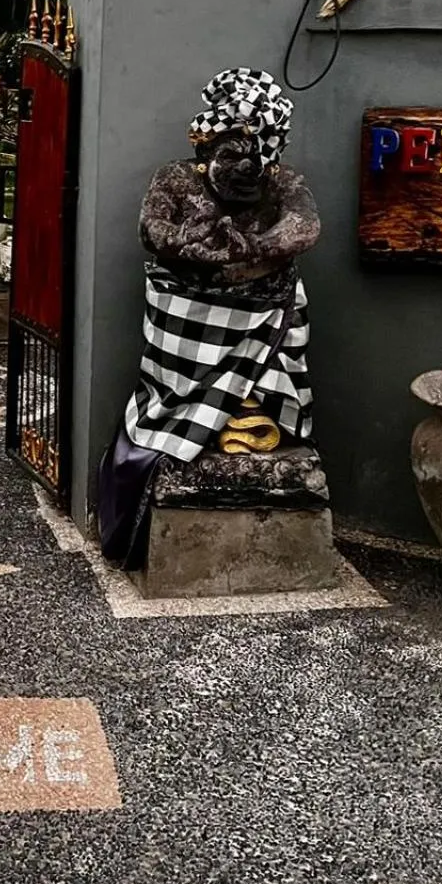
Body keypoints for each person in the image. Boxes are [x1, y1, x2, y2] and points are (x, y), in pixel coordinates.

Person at [98, 67, 320, 567]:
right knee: (174, 367)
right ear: (207, 149)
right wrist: (198, 245)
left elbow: (306, 227)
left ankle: (253, 417)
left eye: (258, 156)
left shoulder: (284, 181)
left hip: (266, 304)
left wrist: (256, 247)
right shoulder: (175, 178)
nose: (248, 168)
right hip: (188, 308)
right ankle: (189, 419)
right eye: (234, 154)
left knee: (275, 357)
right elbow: (153, 230)